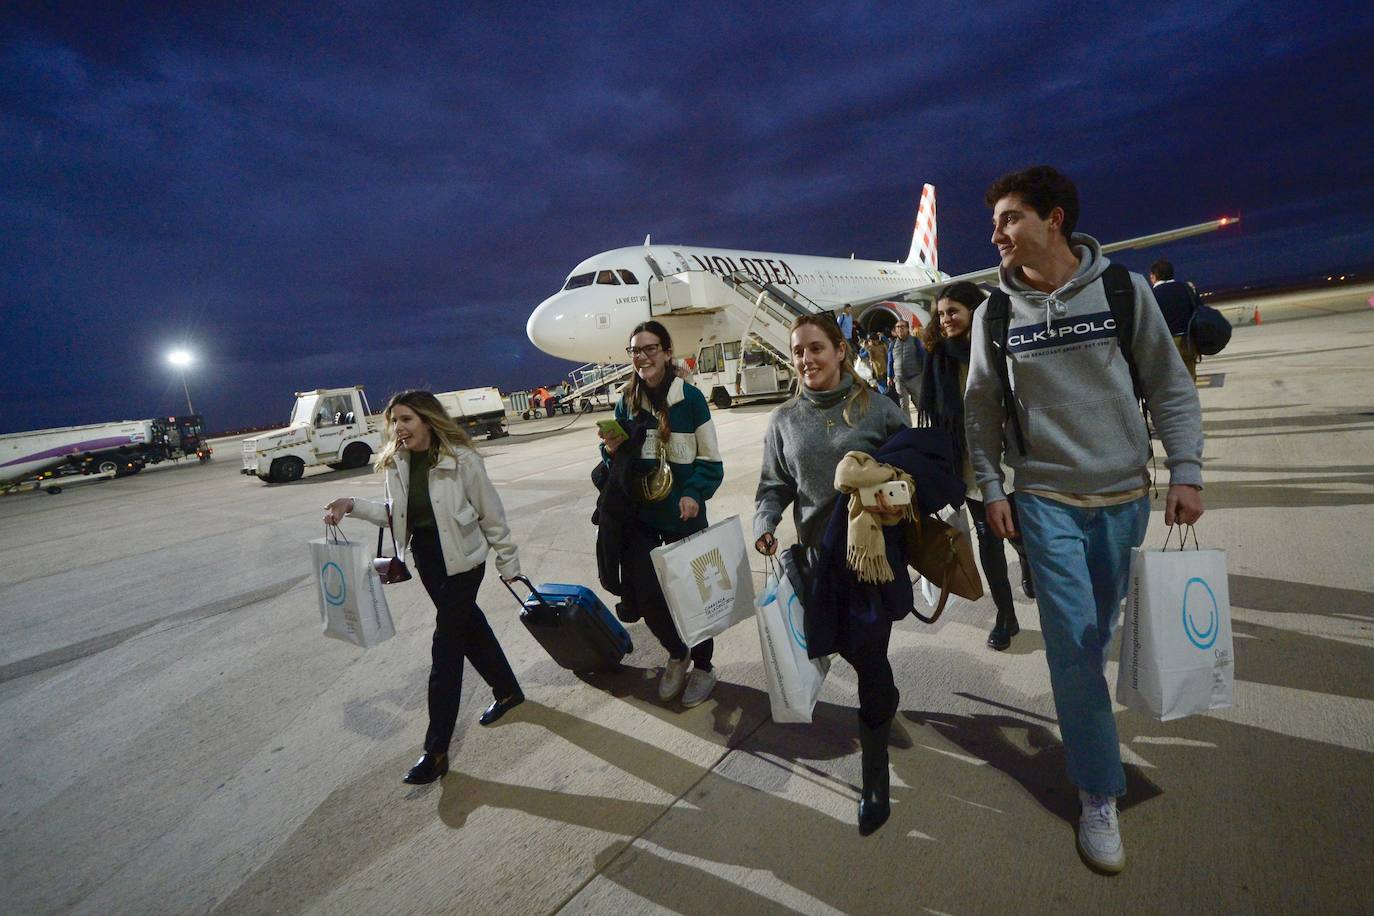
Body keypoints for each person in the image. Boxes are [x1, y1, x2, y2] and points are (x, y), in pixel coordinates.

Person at [966, 166, 1204, 873]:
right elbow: (981, 411)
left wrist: (1185, 469)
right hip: (1044, 498)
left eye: (1011, 218)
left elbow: (1169, 386)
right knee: (1072, 641)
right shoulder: (995, 315)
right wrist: (990, 487)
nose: (998, 232)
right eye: (996, 222)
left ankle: (1081, 713)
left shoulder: (1124, 292)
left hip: (1123, 496)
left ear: (1055, 219)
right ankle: (1100, 791)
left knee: (1096, 635)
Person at [753, 314, 911, 836]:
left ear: (841, 350)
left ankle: (874, 780)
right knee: (836, 647)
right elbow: (774, 485)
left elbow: (914, 476)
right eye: (798, 351)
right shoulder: (783, 421)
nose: (806, 360)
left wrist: (895, 497)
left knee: (868, 658)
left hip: (870, 561)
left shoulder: (880, 409)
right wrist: (765, 522)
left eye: (817, 348)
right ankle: (884, 703)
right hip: (818, 562)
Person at [322, 390, 525, 785]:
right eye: (394, 421)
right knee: (470, 628)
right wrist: (351, 503)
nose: (399, 428)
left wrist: (508, 562)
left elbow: (490, 512)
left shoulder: (461, 460)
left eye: (407, 420)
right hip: (428, 558)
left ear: (428, 420)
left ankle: (436, 750)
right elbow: (397, 516)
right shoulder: (397, 462)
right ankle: (508, 690)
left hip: (464, 559)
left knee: (445, 646)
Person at [598, 320, 724, 708]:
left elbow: (712, 461)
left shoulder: (690, 399)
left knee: (694, 597)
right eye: (635, 350)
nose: (642, 357)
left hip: (684, 514)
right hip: (642, 516)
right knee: (647, 595)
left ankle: (703, 666)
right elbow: (617, 461)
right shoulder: (626, 401)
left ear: (667, 353)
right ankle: (677, 652)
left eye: (650, 349)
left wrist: (694, 493)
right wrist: (611, 448)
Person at [917, 281, 1033, 652]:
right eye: (941, 314)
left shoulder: (998, 345)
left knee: (1018, 532)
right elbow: (935, 413)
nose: (946, 320)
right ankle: (1005, 615)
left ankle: (1028, 561)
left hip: (1007, 457)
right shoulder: (938, 357)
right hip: (967, 463)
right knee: (987, 536)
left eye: (953, 311)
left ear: (974, 311)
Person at [1148, 259, 1200, 381]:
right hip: (1188, 342)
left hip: (1165, 345)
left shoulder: (1151, 295)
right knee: (1190, 382)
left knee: (1169, 384)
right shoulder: (1187, 288)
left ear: (1154, 276)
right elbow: (1199, 310)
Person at [886, 319, 924, 413]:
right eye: (898, 327)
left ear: (907, 329)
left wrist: (925, 373)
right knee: (903, 406)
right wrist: (889, 376)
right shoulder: (893, 344)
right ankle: (908, 427)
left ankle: (925, 425)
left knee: (920, 403)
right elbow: (890, 361)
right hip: (899, 379)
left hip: (915, 377)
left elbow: (923, 357)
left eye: (902, 327)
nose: (900, 329)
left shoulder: (915, 341)